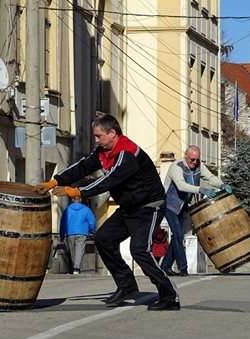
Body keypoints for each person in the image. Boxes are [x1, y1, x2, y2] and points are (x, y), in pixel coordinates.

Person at [35, 114, 180, 311]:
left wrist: (77, 191)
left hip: (149, 206)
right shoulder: (104, 150)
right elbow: (83, 167)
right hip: (129, 207)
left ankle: (170, 295)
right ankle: (127, 286)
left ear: (112, 133)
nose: (96, 140)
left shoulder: (127, 153)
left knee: (139, 250)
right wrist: (56, 181)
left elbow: (109, 180)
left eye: (99, 135)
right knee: (103, 239)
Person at [160, 145, 232, 277]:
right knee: (177, 235)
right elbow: (181, 186)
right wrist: (201, 189)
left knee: (178, 236)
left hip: (184, 206)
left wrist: (222, 184)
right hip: (170, 205)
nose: (194, 162)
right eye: (192, 159)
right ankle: (183, 268)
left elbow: (210, 178)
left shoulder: (199, 166)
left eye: (197, 159)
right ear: (186, 156)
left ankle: (165, 267)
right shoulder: (177, 167)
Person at [59, 195, 96, 274]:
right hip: (82, 232)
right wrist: (92, 231)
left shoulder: (67, 210)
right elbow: (92, 222)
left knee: (72, 251)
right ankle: (76, 268)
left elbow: (63, 223)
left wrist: (62, 235)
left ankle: (74, 267)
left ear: (72, 199)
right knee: (79, 250)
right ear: (81, 199)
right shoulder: (86, 210)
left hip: (70, 233)